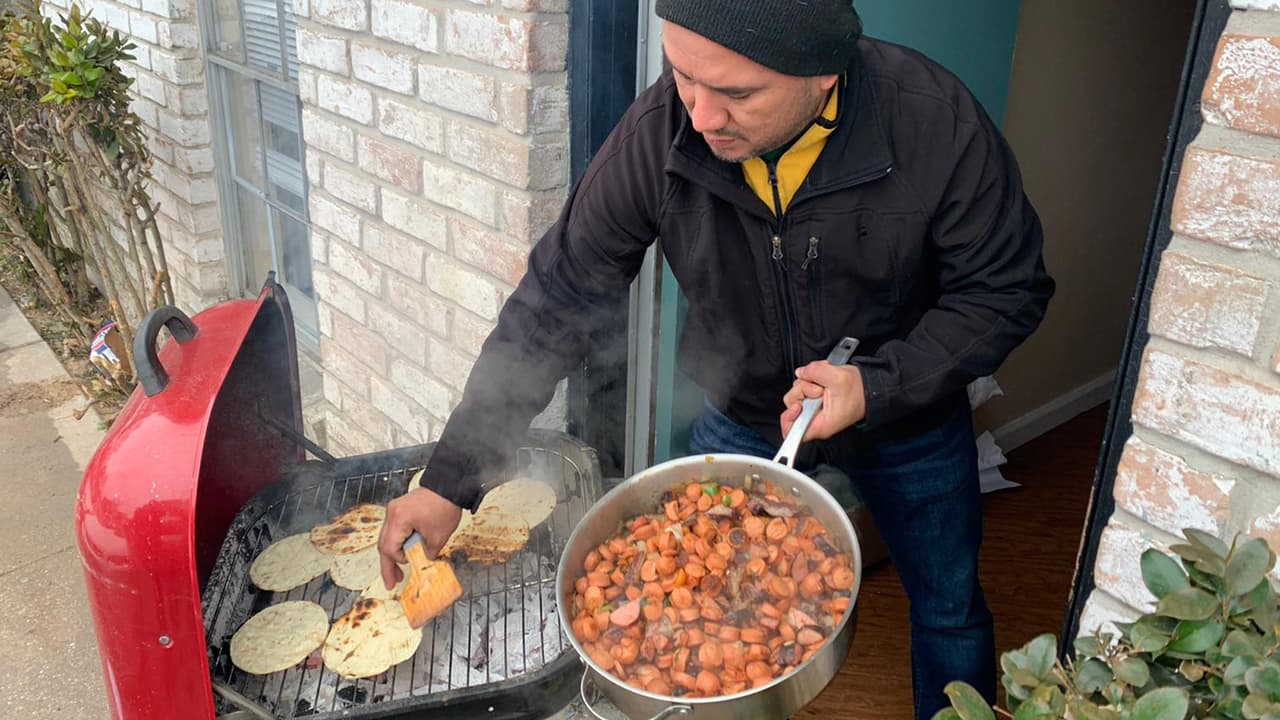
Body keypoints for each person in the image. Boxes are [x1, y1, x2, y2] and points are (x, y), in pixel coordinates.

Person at [378, 1, 1054, 717]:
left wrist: (879, 386)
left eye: (736, 94)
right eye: (682, 77)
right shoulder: (661, 127)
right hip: (743, 415)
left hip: (905, 411)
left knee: (948, 610)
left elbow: (1008, 289)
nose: (700, 118)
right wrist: (449, 480)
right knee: (695, 611)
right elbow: (558, 297)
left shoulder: (932, 120)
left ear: (824, 75)